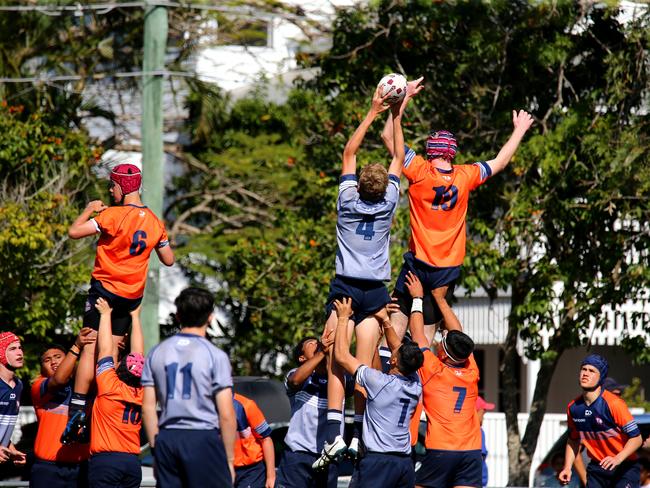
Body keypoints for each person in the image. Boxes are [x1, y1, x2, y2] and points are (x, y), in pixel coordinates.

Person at [382, 91, 534, 337]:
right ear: (452, 153)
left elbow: (388, 136)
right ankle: (423, 373)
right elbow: (500, 161)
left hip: (418, 261)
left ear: (430, 152)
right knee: (427, 336)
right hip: (446, 268)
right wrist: (519, 130)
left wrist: (403, 99)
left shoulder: (419, 170)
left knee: (396, 326)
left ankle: (384, 371)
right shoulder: (466, 176)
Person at [316, 83, 411, 469]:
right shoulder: (389, 202)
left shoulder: (346, 200)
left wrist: (373, 110)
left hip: (345, 287)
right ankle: (357, 436)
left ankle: (334, 435)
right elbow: (400, 156)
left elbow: (349, 151)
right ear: (383, 187)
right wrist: (397, 112)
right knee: (365, 364)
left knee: (333, 358)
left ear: (357, 185)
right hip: (374, 291)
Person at [63, 163, 175, 443]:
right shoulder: (154, 221)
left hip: (105, 290)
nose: (110, 191)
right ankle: (103, 402)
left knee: (90, 346)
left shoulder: (111, 215)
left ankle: (77, 409)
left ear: (123, 187)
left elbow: (74, 232)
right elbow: (169, 259)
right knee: (110, 352)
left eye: (112, 186)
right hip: (130, 296)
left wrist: (89, 209)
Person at [141, 287, 236, 487]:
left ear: (177, 315)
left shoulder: (157, 352)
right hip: (201, 437)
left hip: (167, 437)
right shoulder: (215, 355)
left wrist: (156, 448)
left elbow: (148, 408)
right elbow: (226, 414)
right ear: (210, 317)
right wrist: (229, 459)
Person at [331, 297, 423, 488]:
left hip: (379, 462)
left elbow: (341, 355)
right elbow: (396, 348)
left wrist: (342, 318)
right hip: (404, 463)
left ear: (395, 361)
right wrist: (385, 321)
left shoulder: (380, 382)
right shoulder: (416, 383)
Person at [405, 272, 482, 488]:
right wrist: (440, 299)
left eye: (442, 340)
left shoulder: (433, 370)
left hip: (442, 449)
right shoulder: (470, 369)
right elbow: (458, 333)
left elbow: (417, 333)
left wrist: (417, 298)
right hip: (471, 450)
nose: (439, 340)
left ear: (446, 354)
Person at [559, 354, 642, 487]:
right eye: (583, 369)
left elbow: (637, 439)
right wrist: (567, 467)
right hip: (597, 468)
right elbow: (573, 440)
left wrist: (617, 458)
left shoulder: (614, 403)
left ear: (601, 378)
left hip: (624, 468)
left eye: (591, 371)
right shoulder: (573, 407)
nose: (585, 373)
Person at [87, 298, 144, 488]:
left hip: (107, 461)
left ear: (119, 370)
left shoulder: (109, 385)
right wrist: (135, 318)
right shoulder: (142, 392)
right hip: (133, 464)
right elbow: (139, 357)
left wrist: (105, 315)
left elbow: (105, 348)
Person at [30, 328, 96, 488]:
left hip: (80, 467)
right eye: (47, 360)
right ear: (41, 369)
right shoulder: (39, 386)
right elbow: (59, 379)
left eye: (58, 357)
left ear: (68, 360)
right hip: (47, 469)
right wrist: (76, 346)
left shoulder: (86, 385)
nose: (53, 361)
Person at [275, 334, 340, 488]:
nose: (317, 342)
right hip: (297, 456)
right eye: (311, 343)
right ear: (302, 358)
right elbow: (295, 380)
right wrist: (322, 352)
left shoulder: (339, 379)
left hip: (328, 458)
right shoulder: (296, 374)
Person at [233, 393, 275, 488]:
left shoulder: (246, 405)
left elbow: (266, 439)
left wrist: (271, 476)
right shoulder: (206, 407)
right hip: (222, 468)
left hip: (251, 470)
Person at [0, 332, 26, 467]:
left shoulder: (18, 385)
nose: (19, 352)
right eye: (12, 349)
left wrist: (10, 447)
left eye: (20, 348)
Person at [475, 396, 495, 488]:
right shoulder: (478, 432)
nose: (484, 415)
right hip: (478, 481)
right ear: (475, 412)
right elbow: (480, 457)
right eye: (483, 411)